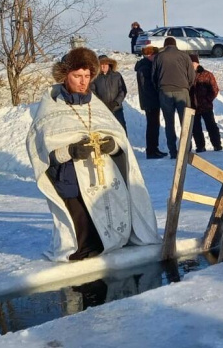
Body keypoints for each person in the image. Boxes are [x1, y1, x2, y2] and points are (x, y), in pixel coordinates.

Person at [26, 47, 159, 262]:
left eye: (87, 76)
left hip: (104, 176)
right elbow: (40, 151)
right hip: (70, 178)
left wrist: (112, 146)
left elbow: (120, 142)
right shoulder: (51, 107)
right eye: (77, 76)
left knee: (108, 223)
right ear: (64, 76)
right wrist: (70, 151)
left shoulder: (97, 106)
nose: (82, 81)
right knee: (82, 239)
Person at [151, 36, 195, 159]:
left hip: (165, 91)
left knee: (169, 122)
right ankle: (186, 150)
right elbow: (192, 75)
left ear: (165, 45)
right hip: (182, 90)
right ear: (176, 45)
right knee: (185, 121)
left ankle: (173, 151)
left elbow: (153, 76)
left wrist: (160, 88)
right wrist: (187, 87)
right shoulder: (184, 56)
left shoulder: (159, 56)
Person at [134, 46, 166, 159]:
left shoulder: (147, 65)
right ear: (150, 55)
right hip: (150, 101)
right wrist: (156, 92)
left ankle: (154, 149)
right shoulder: (144, 67)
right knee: (152, 126)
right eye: (155, 56)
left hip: (151, 101)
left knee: (154, 125)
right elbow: (146, 86)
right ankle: (151, 150)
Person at [189, 53, 223, 152]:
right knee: (196, 128)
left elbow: (215, 89)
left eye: (193, 63)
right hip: (192, 106)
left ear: (197, 63)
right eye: (190, 63)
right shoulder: (187, 75)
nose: (192, 65)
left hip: (205, 105)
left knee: (211, 125)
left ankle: (217, 144)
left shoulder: (207, 74)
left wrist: (208, 99)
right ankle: (200, 146)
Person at [91, 55, 128, 134]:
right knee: (106, 132)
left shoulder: (117, 75)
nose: (103, 66)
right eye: (101, 64)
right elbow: (93, 92)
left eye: (105, 64)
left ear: (109, 64)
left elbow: (123, 90)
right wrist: (103, 104)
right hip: (102, 110)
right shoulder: (95, 78)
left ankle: (124, 146)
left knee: (122, 129)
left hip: (117, 109)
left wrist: (115, 102)